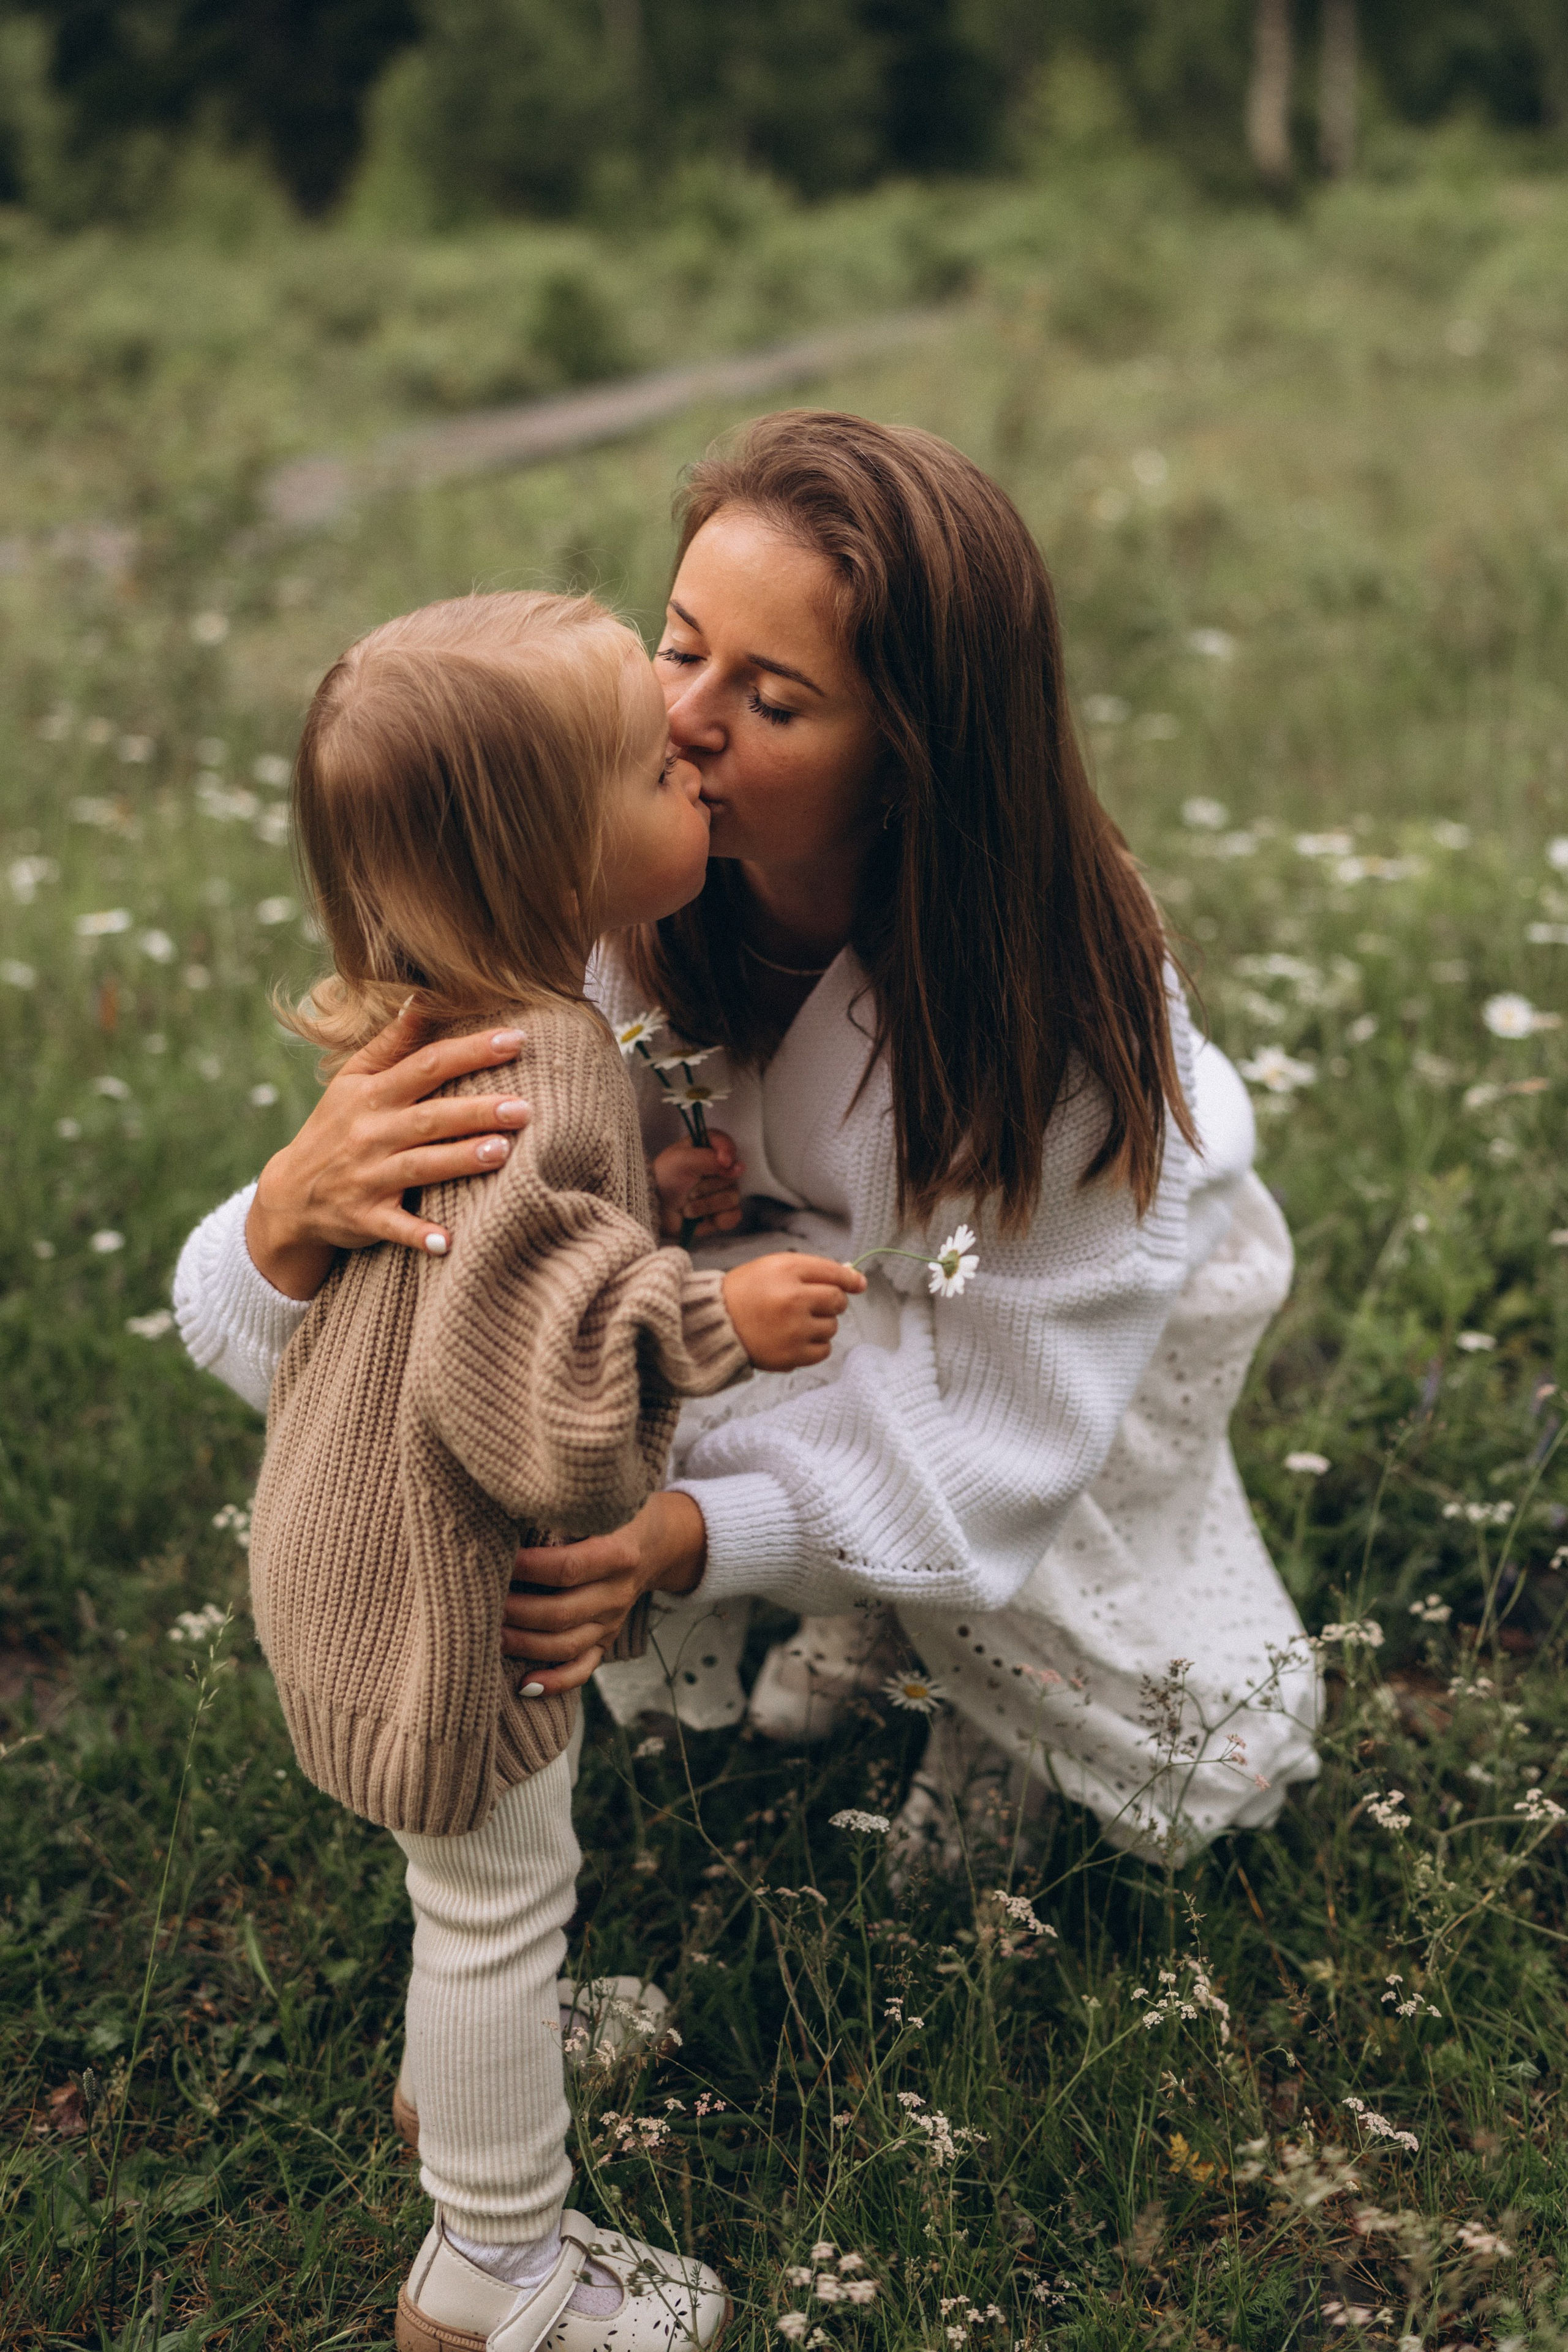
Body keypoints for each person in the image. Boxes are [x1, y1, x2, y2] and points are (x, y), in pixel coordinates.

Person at [176, 407, 1318, 1879]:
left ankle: (984, 1718)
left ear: (912, 757)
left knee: (992, 1564)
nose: (680, 722)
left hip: (1056, 1323)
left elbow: (1002, 1437)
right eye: (677, 644)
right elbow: (370, 1323)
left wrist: (682, 1539)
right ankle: (849, 1608)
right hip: (775, 1284)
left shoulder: (1050, 999)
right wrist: (288, 1216)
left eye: (770, 700)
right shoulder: (598, 891)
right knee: (614, 1374)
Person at [238, 584, 865, 2352]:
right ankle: (494, 2268)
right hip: (448, 1597)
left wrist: (634, 1205)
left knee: (483, 1893)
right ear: (550, 864)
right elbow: (533, 1408)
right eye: (653, 763)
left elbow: (489, 1252)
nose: (694, 747)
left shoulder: (463, 1016)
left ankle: (469, 2086)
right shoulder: (552, 1066)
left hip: (357, 1548)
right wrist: (705, 1309)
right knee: (497, 1898)